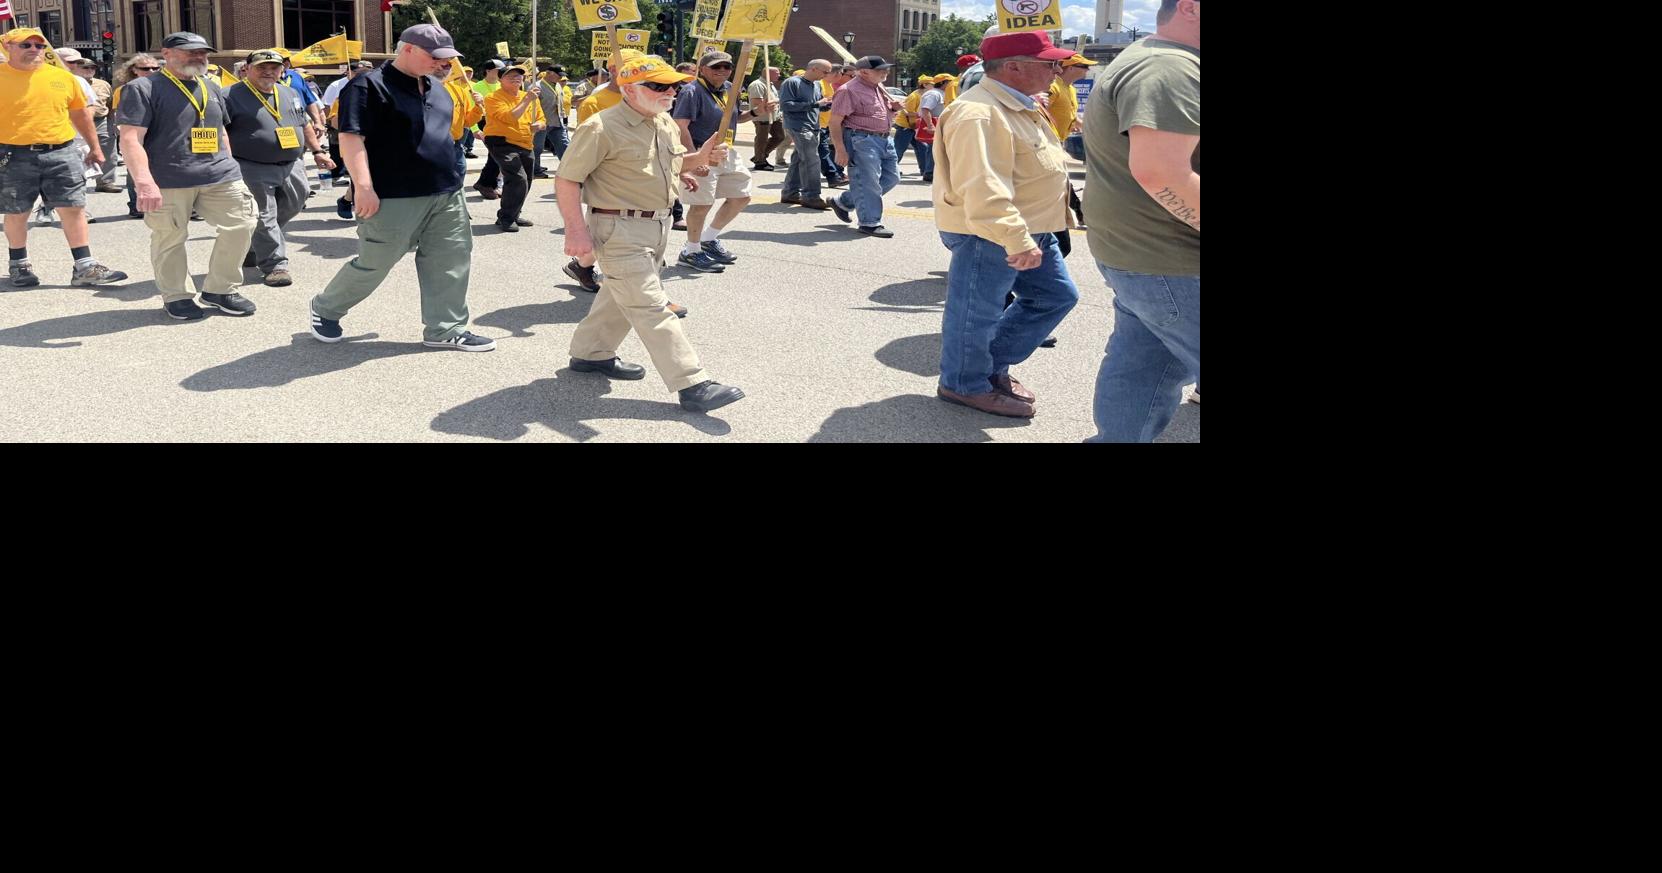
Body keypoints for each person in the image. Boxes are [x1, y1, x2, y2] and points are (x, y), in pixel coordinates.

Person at [557, 54, 744, 412]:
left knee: (618, 294)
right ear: (629, 89)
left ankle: (590, 354)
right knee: (650, 305)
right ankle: (693, 383)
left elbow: (670, 163)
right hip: (618, 227)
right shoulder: (600, 127)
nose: (670, 91)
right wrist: (575, 232)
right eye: (658, 86)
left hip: (655, 226)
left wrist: (697, 159)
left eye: (673, 85)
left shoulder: (663, 122)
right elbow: (567, 178)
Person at [308, 24, 495, 352]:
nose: (441, 64)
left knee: (450, 258)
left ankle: (445, 328)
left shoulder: (439, 89)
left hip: (446, 191)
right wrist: (363, 186)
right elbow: (352, 139)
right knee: (376, 261)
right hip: (393, 194)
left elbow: (446, 135)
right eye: (434, 57)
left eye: (447, 58)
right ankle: (326, 307)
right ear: (407, 48)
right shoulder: (367, 86)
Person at [931, 30, 1080, 418]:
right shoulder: (979, 112)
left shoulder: (1019, 104)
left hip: (1029, 228)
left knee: (1056, 297)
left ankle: (985, 368)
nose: (1056, 69)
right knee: (975, 312)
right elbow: (981, 185)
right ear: (1013, 67)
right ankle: (963, 384)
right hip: (992, 232)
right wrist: (1015, 238)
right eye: (1048, 63)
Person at [1083, 0, 1200, 442]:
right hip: (1176, 260)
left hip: (1144, 257)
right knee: (1142, 369)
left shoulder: (1153, 61)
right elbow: (1162, 172)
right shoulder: (1170, 68)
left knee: (1143, 369)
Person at [118, 30, 260, 318]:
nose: (199, 56)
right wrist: (144, 183)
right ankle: (177, 296)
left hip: (219, 174)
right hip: (168, 177)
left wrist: (230, 164)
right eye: (190, 51)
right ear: (166, 54)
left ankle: (220, 289)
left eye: (203, 52)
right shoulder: (143, 88)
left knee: (243, 223)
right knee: (170, 237)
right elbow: (131, 138)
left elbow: (219, 130)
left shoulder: (211, 86)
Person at [1, 27, 128, 288]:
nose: (35, 50)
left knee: (73, 208)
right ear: (8, 47)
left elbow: (81, 115)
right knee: (18, 211)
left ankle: (85, 267)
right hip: (13, 154)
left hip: (61, 150)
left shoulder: (63, 78)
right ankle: (19, 265)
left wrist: (95, 147)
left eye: (39, 45)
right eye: (26, 45)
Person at [223, 48, 335, 287]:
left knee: (296, 202)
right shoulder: (229, 95)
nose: (268, 72)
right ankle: (275, 266)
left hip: (291, 163)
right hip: (251, 165)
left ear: (282, 70)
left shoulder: (290, 92)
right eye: (261, 67)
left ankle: (255, 244)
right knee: (265, 215)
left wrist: (318, 151)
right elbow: (220, 131)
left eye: (274, 67)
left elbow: (302, 123)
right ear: (247, 69)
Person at [672, 50, 770, 272]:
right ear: (703, 69)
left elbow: (736, 118)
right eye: (716, 67)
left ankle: (709, 238)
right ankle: (691, 251)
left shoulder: (730, 89)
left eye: (727, 67)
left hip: (727, 151)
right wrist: (694, 158)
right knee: (702, 203)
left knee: (741, 196)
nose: (723, 71)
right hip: (701, 150)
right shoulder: (692, 91)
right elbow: (681, 125)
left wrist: (756, 112)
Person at [827, 56, 902, 238]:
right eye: (880, 69)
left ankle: (844, 201)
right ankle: (869, 222)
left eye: (886, 68)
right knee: (868, 183)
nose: (885, 72)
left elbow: (875, 113)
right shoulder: (848, 91)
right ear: (864, 72)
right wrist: (840, 149)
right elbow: (835, 122)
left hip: (884, 139)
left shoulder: (878, 87)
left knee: (892, 178)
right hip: (861, 139)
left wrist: (892, 109)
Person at [481, 63, 544, 232]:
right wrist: (526, 100)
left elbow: (541, 119)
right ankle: (506, 218)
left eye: (519, 75)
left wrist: (539, 125)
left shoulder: (529, 96)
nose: (517, 78)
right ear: (501, 79)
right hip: (502, 142)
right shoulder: (493, 98)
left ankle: (513, 214)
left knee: (527, 181)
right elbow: (509, 117)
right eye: (511, 76)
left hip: (525, 142)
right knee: (518, 179)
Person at [110, 53, 162, 217]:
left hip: (157, 134)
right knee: (136, 170)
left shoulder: (163, 87)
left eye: (156, 68)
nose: (152, 71)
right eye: (146, 68)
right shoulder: (127, 89)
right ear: (134, 70)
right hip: (135, 134)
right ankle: (135, 204)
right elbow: (118, 113)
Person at [778, 60, 833, 210]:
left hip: (813, 126)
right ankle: (811, 196)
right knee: (811, 161)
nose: (827, 75)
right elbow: (785, 105)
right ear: (814, 69)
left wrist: (827, 105)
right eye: (825, 72)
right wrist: (816, 104)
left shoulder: (816, 85)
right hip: (798, 126)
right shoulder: (792, 83)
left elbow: (817, 105)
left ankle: (790, 193)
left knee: (799, 160)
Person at [747, 66, 784, 171]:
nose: (779, 75)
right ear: (768, 74)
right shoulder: (757, 85)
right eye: (777, 73)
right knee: (761, 139)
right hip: (762, 117)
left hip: (775, 116)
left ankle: (759, 156)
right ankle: (760, 162)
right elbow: (757, 102)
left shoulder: (770, 84)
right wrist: (776, 101)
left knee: (780, 136)